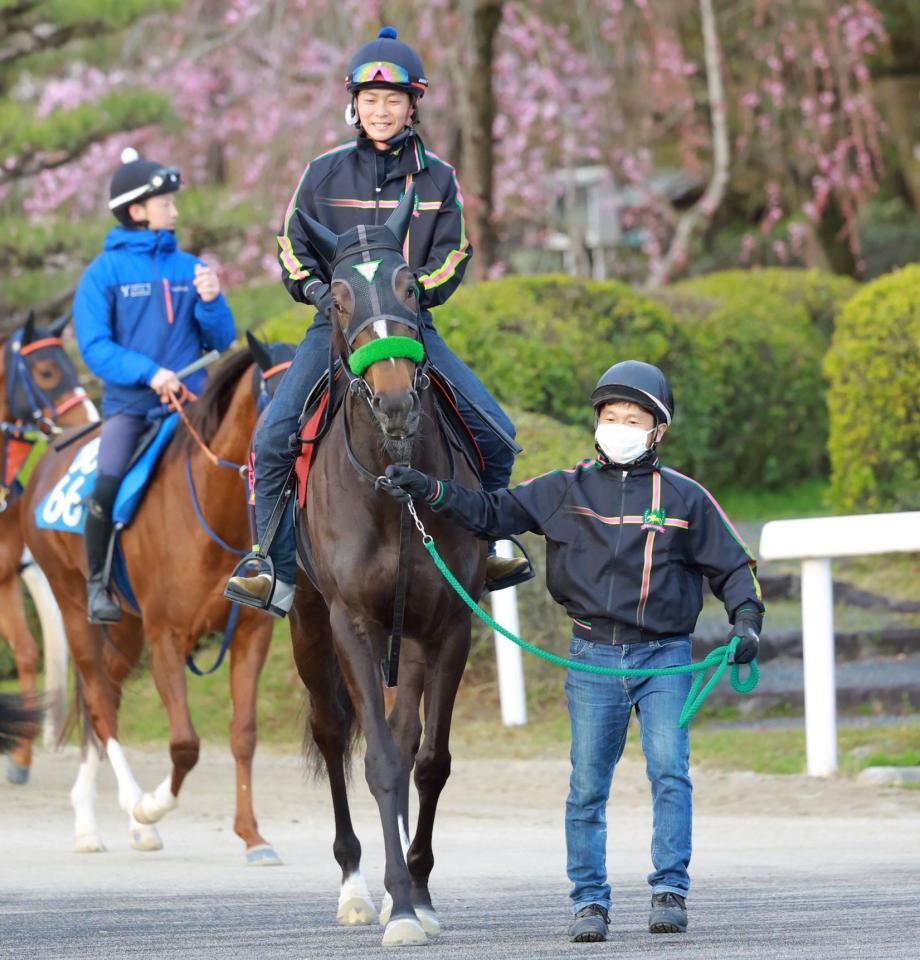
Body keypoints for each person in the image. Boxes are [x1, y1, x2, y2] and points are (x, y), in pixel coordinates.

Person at [380, 360, 765, 942]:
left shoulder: (687, 498)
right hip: (590, 657)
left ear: (658, 430)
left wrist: (747, 621)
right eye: (610, 417)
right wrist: (430, 490)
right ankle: (589, 900)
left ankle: (670, 890)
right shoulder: (564, 488)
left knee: (669, 773)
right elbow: (492, 511)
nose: (620, 426)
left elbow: (734, 567)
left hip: (665, 658)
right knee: (587, 785)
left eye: (633, 419)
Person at [225, 26, 528, 619]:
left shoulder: (438, 178)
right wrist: (315, 290)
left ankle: (492, 543)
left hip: (411, 331)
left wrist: (416, 297)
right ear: (353, 105)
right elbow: (290, 247)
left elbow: (454, 254)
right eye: (370, 100)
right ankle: (272, 566)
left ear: (412, 105)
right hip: (334, 329)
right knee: (271, 438)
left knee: (496, 432)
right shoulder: (321, 173)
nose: (381, 110)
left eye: (392, 100)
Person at [73, 147, 235, 623]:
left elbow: (221, 338)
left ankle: (269, 567)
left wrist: (210, 301)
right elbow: (96, 347)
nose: (176, 210)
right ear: (137, 210)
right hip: (130, 409)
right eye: (167, 203)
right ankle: (99, 585)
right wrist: (150, 372)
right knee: (105, 487)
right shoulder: (100, 275)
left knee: (249, 462)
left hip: (195, 406)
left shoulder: (189, 268)